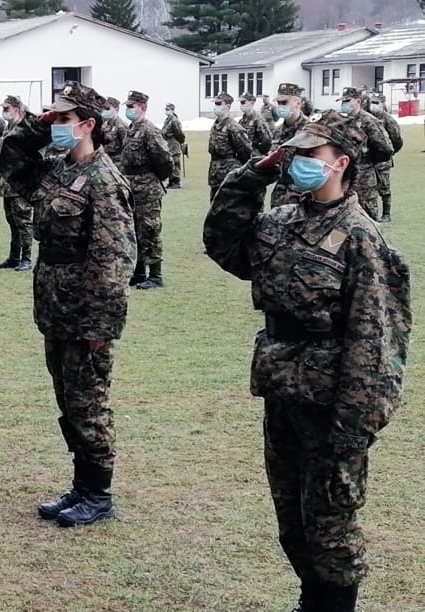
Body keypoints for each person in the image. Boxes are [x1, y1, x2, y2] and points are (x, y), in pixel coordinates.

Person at [203, 111, 410, 612]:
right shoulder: (280, 221)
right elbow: (220, 242)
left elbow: (376, 339)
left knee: (332, 521)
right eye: (293, 152)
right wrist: (254, 173)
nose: (297, 161)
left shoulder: (362, 238)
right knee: (292, 515)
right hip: (282, 385)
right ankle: (313, 601)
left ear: (341, 163)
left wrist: (354, 425)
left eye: (310, 155)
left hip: (332, 401)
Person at [0, 81, 136, 528]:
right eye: (52, 117)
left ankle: (98, 493)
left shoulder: (105, 180)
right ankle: (80, 485)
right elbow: (12, 164)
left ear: (88, 125)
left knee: (88, 402)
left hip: (85, 310)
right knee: (67, 399)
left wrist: (101, 324)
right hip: (55, 304)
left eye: (62, 118)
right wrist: (35, 130)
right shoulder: (56, 170)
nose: (54, 124)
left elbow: (115, 258)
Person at [121, 90, 173, 289]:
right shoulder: (132, 128)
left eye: (131, 106)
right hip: (132, 186)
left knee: (149, 230)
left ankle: (156, 275)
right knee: (134, 229)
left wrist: (155, 179)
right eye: (127, 106)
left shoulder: (149, 130)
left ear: (142, 107)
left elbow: (164, 159)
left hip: (148, 189)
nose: (128, 110)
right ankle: (139, 271)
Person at [336, 87, 394, 221]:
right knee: (344, 217)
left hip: (365, 178)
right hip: (345, 177)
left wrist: (369, 160)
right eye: (342, 101)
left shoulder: (369, 121)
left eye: (347, 101)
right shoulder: (342, 121)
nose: (344, 104)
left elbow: (386, 148)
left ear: (358, 101)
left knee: (368, 218)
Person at [0, 95, 33, 272]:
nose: (4, 112)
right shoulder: (9, 128)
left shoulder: (24, 129)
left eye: (7, 109)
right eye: (3, 109)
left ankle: (26, 258)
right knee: (12, 222)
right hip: (7, 184)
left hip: (20, 185)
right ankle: (14, 257)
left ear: (17, 109)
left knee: (23, 222)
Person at [270, 83, 309, 208]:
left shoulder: (310, 129)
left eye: (284, 102)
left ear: (298, 103)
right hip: (280, 193)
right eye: (279, 103)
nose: (280, 106)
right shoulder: (277, 130)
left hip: (303, 196)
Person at [207, 92, 251, 201]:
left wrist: (234, 167)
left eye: (219, 104)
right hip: (215, 175)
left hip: (229, 175)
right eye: (215, 104)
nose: (216, 107)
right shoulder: (216, 125)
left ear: (227, 106)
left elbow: (246, 152)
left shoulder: (234, 127)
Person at [367, 93, 403, 222]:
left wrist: (389, 153)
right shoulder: (368, 117)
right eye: (372, 102)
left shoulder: (388, 120)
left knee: (384, 186)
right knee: (369, 187)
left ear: (383, 104)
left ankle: (386, 213)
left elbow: (397, 140)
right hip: (369, 159)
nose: (374, 105)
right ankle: (372, 213)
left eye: (377, 103)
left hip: (383, 159)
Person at [239, 92, 272, 158]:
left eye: (243, 102)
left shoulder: (258, 120)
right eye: (240, 102)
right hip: (242, 156)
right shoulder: (241, 121)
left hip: (253, 156)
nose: (241, 104)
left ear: (252, 102)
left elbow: (267, 141)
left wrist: (257, 153)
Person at [160, 102, 185, 189]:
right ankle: (171, 181)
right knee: (170, 163)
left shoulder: (174, 120)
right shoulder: (168, 120)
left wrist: (181, 141)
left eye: (168, 109)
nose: (166, 111)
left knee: (175, 162)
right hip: (168, 144)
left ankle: (176, 182)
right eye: (165, 109)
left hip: (174, 144)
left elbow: (179, 133)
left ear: (172, 110)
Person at [101, 96, 127, 170]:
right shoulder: (105, 124)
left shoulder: (122, 126)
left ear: (116, 109)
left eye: (107, 108)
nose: (104, 110)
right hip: (106, 161)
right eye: (103, 108)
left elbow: (126, 148)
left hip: (117, 164)